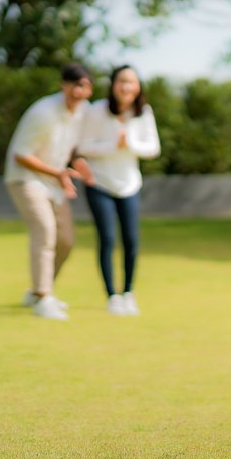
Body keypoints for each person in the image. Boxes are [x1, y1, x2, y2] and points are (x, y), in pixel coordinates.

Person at [5, 63, 95, 321]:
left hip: (55, 181)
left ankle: (37, 290)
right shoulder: (43, 112)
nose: (78, 91)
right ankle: (43, 298)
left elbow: (73, 147)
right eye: (74, 85)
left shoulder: (83, 112)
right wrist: (57, 173)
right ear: (63, 85)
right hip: (25, 179)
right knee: (45, 231)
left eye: (85, 86)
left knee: (65, 241)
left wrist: (79, 164)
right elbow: (21, 155)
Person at [76, 65, 161, 316]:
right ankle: (112, 295)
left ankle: (128, 293)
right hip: (99, 183)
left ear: (138, 87)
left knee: (131, 240)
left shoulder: (143, 112)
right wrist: (113, 145)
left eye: (131, 82)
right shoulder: (97, 111)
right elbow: (83, 145)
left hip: (129, 184)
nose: (126, 87)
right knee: (108, 238)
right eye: (121, 81)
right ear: (113, 84)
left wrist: (130, 144)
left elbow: (153, 148)